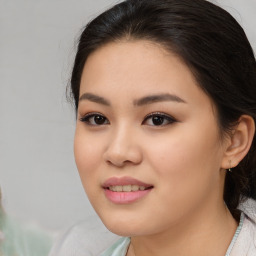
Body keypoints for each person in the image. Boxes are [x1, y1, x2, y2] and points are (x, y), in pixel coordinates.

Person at [51, 0, 256, 255]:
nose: (117, 152)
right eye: (97, 118)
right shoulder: (73, 248)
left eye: (157, 119)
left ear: (235, 141)